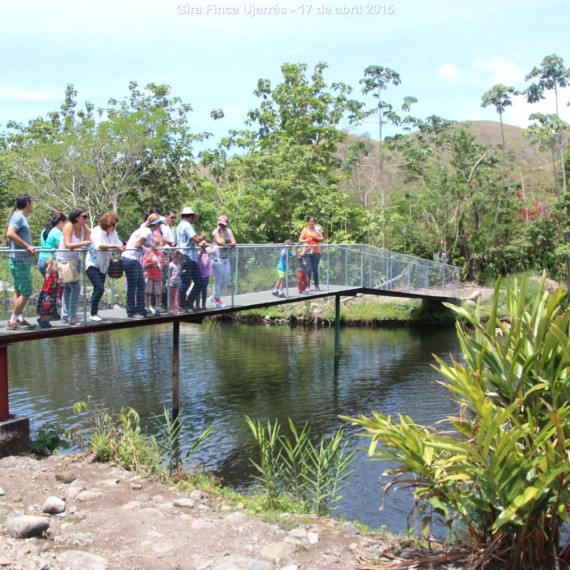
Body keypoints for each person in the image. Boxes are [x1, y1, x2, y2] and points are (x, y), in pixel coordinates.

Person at [120, 213, 162, 319]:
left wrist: (148, 245)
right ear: (156, 224)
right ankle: (131, 312)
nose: (160, 225)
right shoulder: (147, 231)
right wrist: (147, 247)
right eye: (160, 223)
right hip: (130, 259)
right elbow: (137, 244)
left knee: (141, 285)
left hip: (134, 260)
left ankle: (141, 310)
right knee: (133, 287)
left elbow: (140, 242)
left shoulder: (145, 228)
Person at [85, 212, 125, 322]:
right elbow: (99, 245)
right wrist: (115, 246)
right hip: (92, 264)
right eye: (114, 225)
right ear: (108, 224)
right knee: (100, 288)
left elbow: (118, 242)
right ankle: (92, 314)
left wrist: (121, 246)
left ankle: (94, 312)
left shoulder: (113, 232)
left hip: (103, 265)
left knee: (98, 289)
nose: (115, 227)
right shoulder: (97, 231)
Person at [6, 194, 36, 330]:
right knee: (26, 292)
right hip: (20, 261)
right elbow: (10, 234)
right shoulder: (18, 217)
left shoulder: (20, 217)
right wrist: (27, 246)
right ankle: (13, 320)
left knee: (18, 290)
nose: (33, 205)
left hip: (20, 261)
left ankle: (18, 318)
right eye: (32, 203)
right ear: (27, 204)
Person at [57, 207, 92, 326]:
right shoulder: (69, 226)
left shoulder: (84, 227)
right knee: (76, 288)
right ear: (77, 217)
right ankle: (72, 316)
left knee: (68, 288)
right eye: (84, 216)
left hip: (75, 260)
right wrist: (83, 243)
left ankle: (66, 315)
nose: (86, 219)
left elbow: (88, 242)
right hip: (65, 261)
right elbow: (67, 244)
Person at [176, 206, 207, 311]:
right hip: (187, 256)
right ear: (191, 217)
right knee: (186, 282)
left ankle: (188, 303)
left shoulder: (180, 225)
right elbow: (195, 240)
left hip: (189, 257)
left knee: (198, 282)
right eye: (193, 217)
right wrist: (202, 237)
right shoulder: (187, 225)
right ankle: (183, 304)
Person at [209, 215, 236, 309]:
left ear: (226, 224)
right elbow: (221, 243)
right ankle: (217, 300)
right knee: (218, 280)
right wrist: (223, 236)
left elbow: (233, 243)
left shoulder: (229, 231)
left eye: (223, 224)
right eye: (220, 224)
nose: (222, 226)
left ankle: (213, 296)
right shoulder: (215, 232)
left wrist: (226, 243)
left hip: (226, 258)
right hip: (217, 259)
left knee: (225, 281)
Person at [299, 215, 324, 291]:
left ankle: (316, 285)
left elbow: (322, 238)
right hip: (307, 252)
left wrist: (316, 238)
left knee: (315, 269)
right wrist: (307, 240)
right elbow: (300, 240)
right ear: (307, 222)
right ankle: (307, 286)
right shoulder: (305, 230)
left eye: (313, 221)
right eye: (310, 221)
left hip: (316, 252)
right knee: (308, 269)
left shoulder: (317, 230)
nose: (312, 223)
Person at [38, 212, 66, 277]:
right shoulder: (57, 232)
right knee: (57, 286)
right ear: (61, 222)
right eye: (65, 223)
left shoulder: (44, 231)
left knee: (49, 285)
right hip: (51, 262)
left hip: (41, 260)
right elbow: (60, 248)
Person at [142, 236, 166, 315]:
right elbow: (144, 265)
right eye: (155, 243)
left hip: (158, 275)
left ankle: (158, 307)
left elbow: (162, 263)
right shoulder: (148, 253)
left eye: (158, 243)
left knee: (158, 292)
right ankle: (147, 307)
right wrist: (151, 264)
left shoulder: (161, 253)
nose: (156, 245)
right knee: (147, 292)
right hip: (149, 275)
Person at [36, 256, 59, 328]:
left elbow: (58, 283)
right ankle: (42, 320)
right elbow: (49, 265)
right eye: (55, 266)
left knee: (49, 309)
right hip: (46, 294)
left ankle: (46, 321)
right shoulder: (48, 274)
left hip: (52, 295)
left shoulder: (56, 275)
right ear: (50, 267)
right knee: (45, 307)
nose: (57, 268)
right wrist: (51, 255)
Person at [195, 241, 212, 311]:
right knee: (198, 290)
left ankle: (204, 305)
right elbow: (198, 258)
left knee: (204, 290)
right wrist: (201, 248)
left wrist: (206, 244)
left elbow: (214, 246)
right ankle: (197, 305)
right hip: (198, 274)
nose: (203, 247)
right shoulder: (198, 252)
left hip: (206, 274)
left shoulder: (208, 253)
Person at [168, 250, 183, 314]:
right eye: (178, 258)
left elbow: (178, 273)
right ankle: (172, 309)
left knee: (175, 296)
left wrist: (181, 272)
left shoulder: (179, 264)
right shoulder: (170, 265)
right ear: (173, 257)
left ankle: (174, 308)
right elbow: (169, 275)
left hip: (177, 282)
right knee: (172, 296)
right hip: (172, 282)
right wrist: (170, 282)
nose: (179, 260)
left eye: (179, 258)